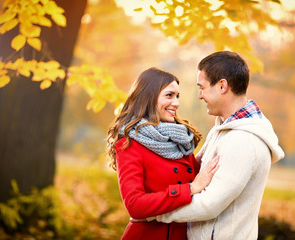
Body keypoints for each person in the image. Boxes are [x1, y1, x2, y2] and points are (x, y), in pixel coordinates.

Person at [148, 51, 285, 240]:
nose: (200, 96)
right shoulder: (224, 129)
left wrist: (154, 214)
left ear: (222, 86)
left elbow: (209, 204)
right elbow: (193, 172)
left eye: (202, 87)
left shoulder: (244, 141)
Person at [107, 67, 219, 240]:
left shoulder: (180, 138)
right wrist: (189, 189)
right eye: (169, 95)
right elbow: (134, 204)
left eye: (177, 96)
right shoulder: (130, 143)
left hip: (184, 233)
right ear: (149, 97)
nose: (176, 103)